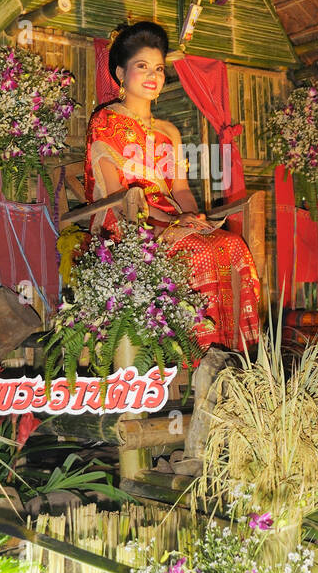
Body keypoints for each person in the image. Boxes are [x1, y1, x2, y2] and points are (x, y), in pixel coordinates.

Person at [84, 21, 261, 350]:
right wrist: (170, 224)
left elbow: (179, 190)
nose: (153, 76)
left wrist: (192, 220)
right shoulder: (106, 121)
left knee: (234, 247)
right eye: (142, 66)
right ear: (121, 73)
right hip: (127, 222)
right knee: (203, 253)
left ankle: (242, 355)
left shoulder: (169, 131)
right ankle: (200, 356)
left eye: (159, 68)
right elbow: (114, 194)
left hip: (171, 216)